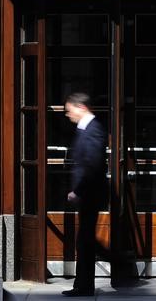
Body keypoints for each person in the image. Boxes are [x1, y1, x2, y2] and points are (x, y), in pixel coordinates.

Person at [62, 92, 108, 297]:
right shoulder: (86, 129)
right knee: (86, 241)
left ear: (81, 107)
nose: (67, 114)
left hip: (89, 194)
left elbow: (92, 166)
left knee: (85, 241)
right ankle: (83, 285)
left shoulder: (93, 130)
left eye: (68, 110)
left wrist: (77, 191)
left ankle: (84, 285)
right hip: (87, 194)